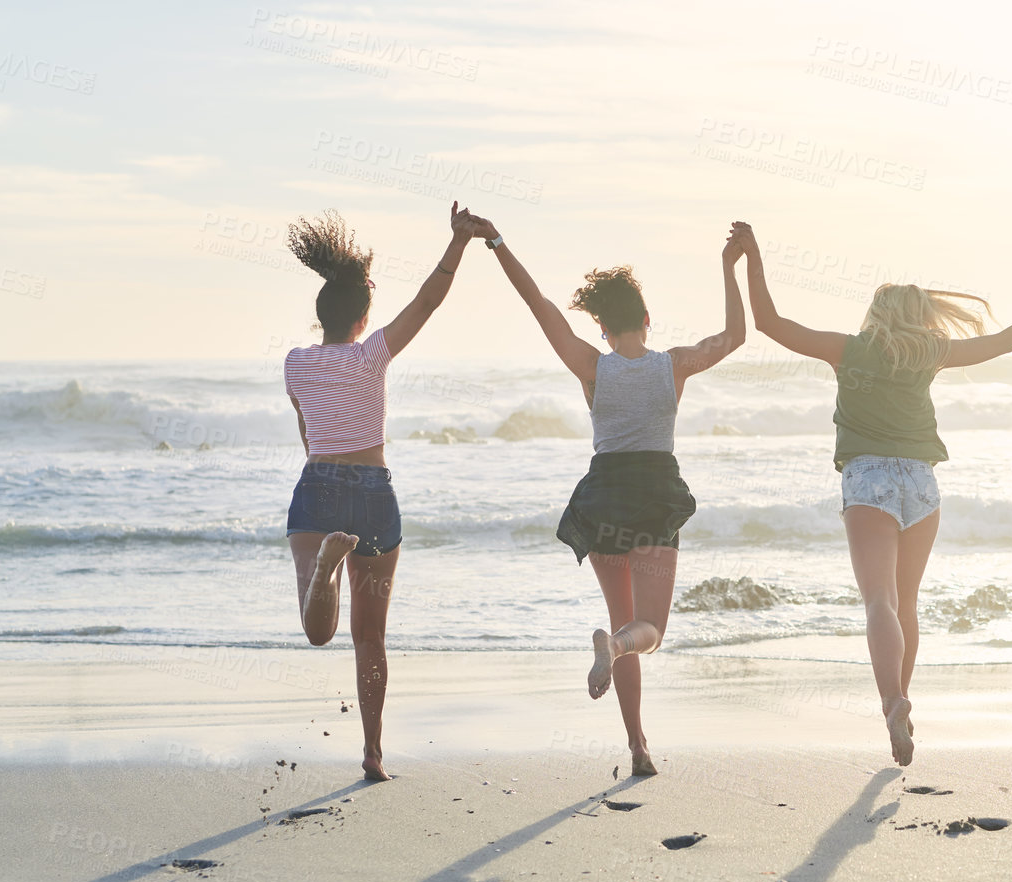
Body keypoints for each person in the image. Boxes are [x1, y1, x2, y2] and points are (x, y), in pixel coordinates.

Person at [731, 222, 1012, 766]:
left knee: (879, 602)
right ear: (917, 317)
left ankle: (891, 701)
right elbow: (1006, 341)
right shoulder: (930, 353)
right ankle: (901, 704)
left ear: (877, 313)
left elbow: (768, 322)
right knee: (906, 602)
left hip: (868, 482)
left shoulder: (849, 349)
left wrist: (752, 258)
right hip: (922, 484)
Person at [464, 212, 746, 777]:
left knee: (622, 622)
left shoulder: (591, 366)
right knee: (646, 633)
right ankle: (616, 658)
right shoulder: (675, 365)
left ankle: (638, 747)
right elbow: (736, 336)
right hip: (655, 492)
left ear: (602, 327)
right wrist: (729, 265)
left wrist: (494, 240)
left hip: (604, 494)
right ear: (646, 319)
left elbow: (538, 305)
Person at [283, 202, 478, 782]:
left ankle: (325, 569)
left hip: (317, 488)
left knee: (318, 631)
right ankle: (372, 752)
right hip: (372, 492)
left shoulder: (295, 364)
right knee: (370, 638)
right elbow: (427, 301)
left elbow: (308, 435)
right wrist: (458, 242)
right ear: (364, 318)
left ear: (322, 315)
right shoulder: (373, 355)